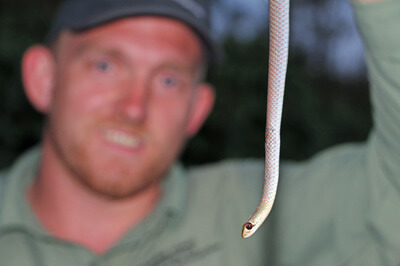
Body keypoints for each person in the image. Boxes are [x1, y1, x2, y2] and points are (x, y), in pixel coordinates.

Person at [0, 0, 397, 265]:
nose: (134, 107)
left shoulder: (265, 206)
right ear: (43, 77)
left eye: (169, 80)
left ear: (199, 109)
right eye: (105, 66)